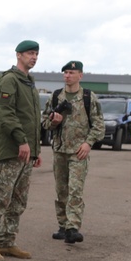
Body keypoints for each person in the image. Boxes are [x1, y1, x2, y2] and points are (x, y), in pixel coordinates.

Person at [0, 40, 42, 261]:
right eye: (29, 53)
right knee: (1, 199)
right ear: (18, 55)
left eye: (36, 53)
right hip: (12, 151)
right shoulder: (10, 80)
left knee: (18, 201)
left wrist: (35, 149)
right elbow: (5, 114)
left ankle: (7, 242)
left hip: (26, 152)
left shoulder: (29, 82)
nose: (33, 57)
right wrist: (22, 141)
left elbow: (31, 119)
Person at [42, 61, 104, 244]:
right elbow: (44, 123)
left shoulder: (88, 97)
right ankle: (63, 225)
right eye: (65, 73)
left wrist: (88, 143)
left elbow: (99, 125)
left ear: (80, 75)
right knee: (61, 190)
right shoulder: (55, 97)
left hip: (78, 152)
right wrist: (54, 122)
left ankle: (72, 227)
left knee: (75, 190)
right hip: (60, 150)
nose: (67, 76)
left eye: (71, 72)